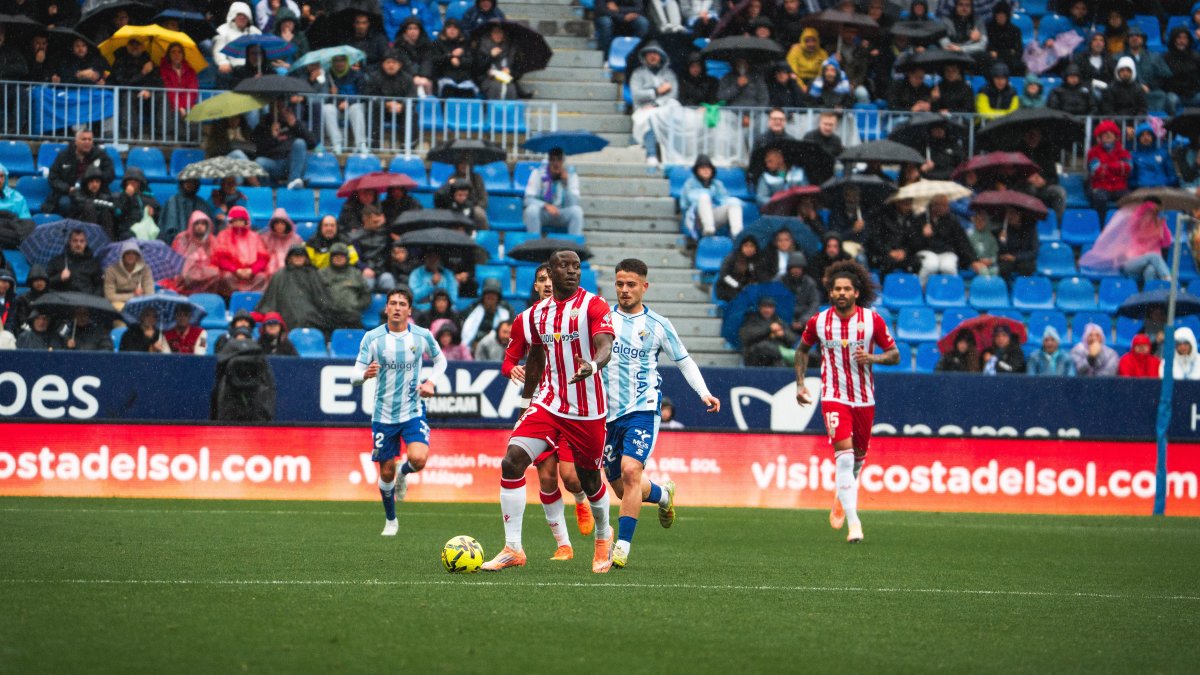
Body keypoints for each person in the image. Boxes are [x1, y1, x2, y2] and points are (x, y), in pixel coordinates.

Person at [485, 250, 617, 573]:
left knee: (587, 480)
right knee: (512, 460)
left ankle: (603, 535)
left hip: (587, 409)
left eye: (577, 267)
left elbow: (605, 345)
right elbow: (533, 357)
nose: (572, 272)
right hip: (548, 402)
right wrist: (525, 402)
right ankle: (513, 548)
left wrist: (593, 365)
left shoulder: (593, 305)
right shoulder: (532, 317)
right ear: (549, 272)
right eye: (564, 266)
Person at [601, 258, 719, 568]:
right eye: (619, 284)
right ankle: (663, 495)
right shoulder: (601, 320)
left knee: (630, 472)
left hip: (643, 408)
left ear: (644, 286)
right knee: (619, 484)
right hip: (607, 414)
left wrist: (704, 392)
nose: (624, 290)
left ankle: (622, 547)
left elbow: (683, 361)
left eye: (631, 284)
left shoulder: (658, 324)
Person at [795, 260, 900, 544]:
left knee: (857, 461)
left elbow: (894, 354)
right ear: (830, 293)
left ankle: (843, 496)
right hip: (833, 396)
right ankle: (855, 525)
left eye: (846, 289)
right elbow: (801, 351)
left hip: (864, 399)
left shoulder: (871, 321)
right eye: (836, 289)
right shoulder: (819, 322)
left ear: (856, 292)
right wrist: (801, 383)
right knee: (844, 457)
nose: (841, 293)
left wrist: (873, 358)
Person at [494, 262, 593, 560]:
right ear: (535, 286)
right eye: (541, 280)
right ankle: (563, 545)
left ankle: (580, 498)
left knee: (572, 478)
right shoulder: (527, 320)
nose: (548, 283)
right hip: (542, 406)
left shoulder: (576, 315)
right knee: (547, 477)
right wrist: (514, 370)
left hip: (575, 405)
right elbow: (508, 361)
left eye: (551, 278)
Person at [350, 287, 447, 536]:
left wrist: (431, 382)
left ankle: (404, 473)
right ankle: (391, 520)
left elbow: (441, 361)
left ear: (409, 310)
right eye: (392, 303)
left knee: (418, 459)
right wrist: (364, 375)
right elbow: (353, 376)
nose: (397, 308)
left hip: (412, 409)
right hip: (383, 415)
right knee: (385, 471)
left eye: (402, 304)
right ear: (386, 308)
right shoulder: (372, 338)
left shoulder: (422, 336)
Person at [1079, 197, 1171, 283]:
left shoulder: (1159, 227)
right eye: (1149, 212)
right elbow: (1137, 215)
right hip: (1131, 262)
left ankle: (1150, 295)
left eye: (1153, 213)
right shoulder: (1136, 224)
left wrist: (1164, 225)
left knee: (1151, 270)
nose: (1150, 215)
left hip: (1150, 263)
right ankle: (1169, 281)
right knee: (1154, 256)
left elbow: (1167, 243)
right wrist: (1149, 206)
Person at [256, 246, 335, 331]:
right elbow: (270, 300)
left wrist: (326, 307)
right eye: (295, 256)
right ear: (289, 258)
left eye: (301, 256)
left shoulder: (313, 274)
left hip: (311, 314)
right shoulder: (279, 275)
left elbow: (321, 297)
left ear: (306, 258)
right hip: (286, 313)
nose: (298, 258)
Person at [629, 42, 679, 168]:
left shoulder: (669, 74)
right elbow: (636, 95)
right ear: (645, 57)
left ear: (661, 56)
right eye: (650, 54)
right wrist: (656, 91)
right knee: (649, 118)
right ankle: (651, 155)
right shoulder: (637, 74)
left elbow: (673, 94)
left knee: (675, 109)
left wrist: (657, 103)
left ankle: (672, 156)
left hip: (664, 107)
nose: (653, 56)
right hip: (644, 108)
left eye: (655, 54)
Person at [44, 128, 114, 216]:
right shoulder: (64, 155)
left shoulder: (101, 155)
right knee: (64, 204)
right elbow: (53, 177)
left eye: (89, 139)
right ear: (76, 141)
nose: (87, 142)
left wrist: (96, 182)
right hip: (70, 193)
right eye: (84, 139)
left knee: (108, 205)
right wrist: (67, 188)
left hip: (95, 193)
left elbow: (110, 174)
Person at [907, 195, 973, 284]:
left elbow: (962, 242)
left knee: (948, 267)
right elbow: (913, 244)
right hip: (926, 251)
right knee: (931, 265)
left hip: (947, 252)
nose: (948, 208)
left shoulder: (952, 220)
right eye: (944, 205)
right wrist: (923, 235)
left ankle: (951, 292)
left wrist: (972, 260)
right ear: (934, 206)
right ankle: (921, 290)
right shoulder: (920, 220)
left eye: (947, 205)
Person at [253, 99, 316, 190]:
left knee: (299, 143)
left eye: (282, 107)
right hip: (273, 162)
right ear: (271, 108)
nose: (280, 110)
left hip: (291, 162)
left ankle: (293, 182)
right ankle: (269, 190)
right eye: (277, 107)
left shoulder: (293, 122)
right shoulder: (263, 124)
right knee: (259, 161)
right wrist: (272, 136)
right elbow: (259, 150)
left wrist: (295, 125)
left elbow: (312, 143)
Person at [680, 154, 743, 241]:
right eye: (702, 168)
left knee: (734, 202)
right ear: (697, 171)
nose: (706, 170)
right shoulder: (690, 184)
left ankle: (737, 235)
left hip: (713, 215)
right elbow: (689, 202)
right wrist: (710, 192)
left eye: (708, 168)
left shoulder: (717, 184)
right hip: (695, 220)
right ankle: (708, 231)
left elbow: (724, 199)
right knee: (704, 197)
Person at [522, 147, 583, 236]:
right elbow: (527, 200)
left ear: (563, 161)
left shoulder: (571, 176)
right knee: (531, 210)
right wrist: (546, 206)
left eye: (559, 160)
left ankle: (573, 247)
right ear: (549, 161)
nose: (556, 163)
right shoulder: (538, 173)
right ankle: (533, 245)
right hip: (544, 213)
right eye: (552, 160)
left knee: (577, 211)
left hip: (561, 213)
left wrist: (565, 184)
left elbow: (573, 203)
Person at [212, 206, 270, 293]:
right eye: (235, 220)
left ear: (246, 221)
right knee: (226, 277)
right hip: (232, 272)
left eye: (241, 220)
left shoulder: (254, 236)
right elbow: (221, 258)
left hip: (251, 272)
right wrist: (236, 270)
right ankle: (232, 301)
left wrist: (252, 270)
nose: (238, 223)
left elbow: (262, 258)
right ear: (231, 221)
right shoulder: (223, 235)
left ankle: (254, 301)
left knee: (262, 277)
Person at [319, 53, 369, 155]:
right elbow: (324, 98)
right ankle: (336, 144)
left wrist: (349, 102)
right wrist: (331, 94)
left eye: (342, 60)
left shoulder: (357, 74)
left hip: (353, 107)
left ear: (347, 61)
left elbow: (362, 94)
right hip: (336, 108)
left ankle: (361, 144)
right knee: (327, 109)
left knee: (356, 108)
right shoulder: (328, 75)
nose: (339, 63)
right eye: (336, 60)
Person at [167, 211, 224, 296]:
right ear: (191, 225)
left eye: (202, 224)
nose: (199, 226)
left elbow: (217, 260)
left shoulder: (212, 240)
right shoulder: (182, 238)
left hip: (205, 273)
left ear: (207, 226)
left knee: (217, 274)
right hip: (187, 273)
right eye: (196, 224)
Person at [212, 2, 261, 88]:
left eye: (245, 16)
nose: (242, 18)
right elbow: (218, 49)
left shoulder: (255, 32)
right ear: (233, 16)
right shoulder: (223, 30)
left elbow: (261, 51)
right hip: (232, 68)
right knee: (223, 74)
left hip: (251, 68)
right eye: (239, 15)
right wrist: (223, 62)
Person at [740, 296, 797, 367]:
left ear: (774, 309)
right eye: (765, 307)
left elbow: (792, 339)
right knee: (763, 347)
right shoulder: (750, 320)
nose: (767, 310)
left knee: (780, 363)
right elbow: (747, 337)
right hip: (756, 358)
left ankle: (788, 356)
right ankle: (787, 354)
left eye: (770, 307)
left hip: (776, 359)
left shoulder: (778, 320)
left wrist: (782, 334)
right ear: (759, 307)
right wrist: (769, 329)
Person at [159, 178, 216, 245]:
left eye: (192, 182)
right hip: (176, 244)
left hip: (198, 244)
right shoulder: (172, 202)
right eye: (187, 182)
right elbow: (168, 228)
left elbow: (208, 227)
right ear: (182, 183)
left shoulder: (202, 204)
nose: (190, 184)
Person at [349, 205, 392, 291]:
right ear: (365, 219)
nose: (378, 224)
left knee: (388, 279)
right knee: (367, 283)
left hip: (381, 271)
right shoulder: (355, 237)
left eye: (378, 221)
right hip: (364, 272)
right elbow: (354, 258)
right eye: (374, 222)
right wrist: (364, 268)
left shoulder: (385, 234)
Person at [47, 229, 103, 296]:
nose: (78, 244)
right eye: (75, 241)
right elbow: (45, 283)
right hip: (63, 301)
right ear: (70, 242)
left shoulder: (93, 263)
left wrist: (93, 299)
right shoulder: (57, 261)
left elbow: (99, 285)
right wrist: (59, 278)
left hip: (86, 301)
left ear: (86, 243)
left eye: (82, 241)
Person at [103, 241, 154, 312]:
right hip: (117, 306)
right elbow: (109, 296)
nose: (131, 256)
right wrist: (133, 296)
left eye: (134, 253)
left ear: (138, 256)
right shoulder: (111, 271)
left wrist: (140, 297)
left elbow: (150, 293)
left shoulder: (145, 269)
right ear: (122, 255)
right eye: (127, 253)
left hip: (139, 304)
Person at [459, 278, 512, 347]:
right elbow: (463, 326)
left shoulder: (506, 312)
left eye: (494, 294)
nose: (490, 296)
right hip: (473, 346)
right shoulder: (473, 308)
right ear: (483, 296)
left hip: (498, 347)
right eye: (488, 294)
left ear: (498, 297)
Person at [716, 235, 770, 302]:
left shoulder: (758, 260)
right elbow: (724, 275)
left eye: (751, 246)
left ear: (755, 248)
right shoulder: (732, 258)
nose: (749, 249)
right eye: (746, 246)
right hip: (729, 288)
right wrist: (739, 286)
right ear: (741, 247)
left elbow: (762, 277)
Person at [112, 168, 159, 242]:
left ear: (140, 182)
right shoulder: (119, 197)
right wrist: (126, 196)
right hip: (127, 231)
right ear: (125, 182)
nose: (132, 182)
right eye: (130, 180)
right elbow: (117, 213)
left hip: (146, 230)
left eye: (136, 180)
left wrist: (154, 213)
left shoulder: (150, 198)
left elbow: (159, 216)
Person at [475, 23, 519, 100]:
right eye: (495, 32)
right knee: (496, 86)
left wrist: (510, 71)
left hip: (506, 79)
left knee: (511, 87)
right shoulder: (483, 46)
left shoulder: (510, 48)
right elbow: (478, 68)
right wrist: (490, 56)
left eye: (500, 32)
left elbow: (517, 69)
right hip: (488, 79)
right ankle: (494, 110)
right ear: (490, 34)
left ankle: (508, 111)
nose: (498, 35)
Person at [70, 166, 117, 238]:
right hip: (82, 229)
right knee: (89, 207)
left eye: (97, 181)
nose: (95, 184)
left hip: (102, 228)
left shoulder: (105, 196)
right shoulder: (78, 195)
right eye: (92, 181)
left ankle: (109, 243)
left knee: (106, 213)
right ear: (86, 183)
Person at [1130, 123, 1178, 190]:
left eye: (1148, 134)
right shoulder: (1134, 156)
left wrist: (1167, 184)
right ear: (1138, 139)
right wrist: (1139, 185)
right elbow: (1131, 177)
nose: (1145, 137)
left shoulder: (1163, 153)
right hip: (1142, 190)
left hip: (1163, 189)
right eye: (1142, 135)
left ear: (1153, 137)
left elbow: (1171, 174)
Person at [260, 208, 304, 277]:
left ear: (287, 224)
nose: (279, 226)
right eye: (277, 223)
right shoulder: (266, 238)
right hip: (270, 271)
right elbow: (262, 256)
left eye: (282, 223)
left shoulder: (296, 238)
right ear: (273, 225)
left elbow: (299, 255)